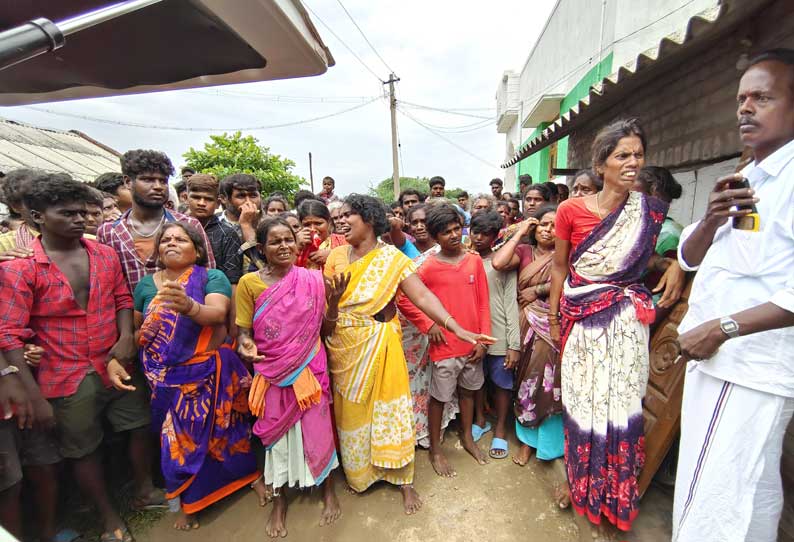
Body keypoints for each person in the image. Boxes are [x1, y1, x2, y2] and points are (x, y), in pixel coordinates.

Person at [672, 49, 794, 542]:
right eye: (742, 98)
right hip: (721, 363)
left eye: (762, 98)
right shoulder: (751, 176)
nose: (745, 109)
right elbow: (688, 258)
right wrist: (712, 218)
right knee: (753, 488)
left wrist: (724, 328)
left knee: (714, 495)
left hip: (744, 367)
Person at [0, 174, 160, 542]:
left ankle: (143, 490)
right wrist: (34, 396)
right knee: (83, 448)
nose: (79, 220)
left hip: (115, 362)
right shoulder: (19, 268)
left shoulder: (103, 254)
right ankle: (107, 518)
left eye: (83, 213)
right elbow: (9, 333)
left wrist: (125, 339)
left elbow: (122, 298)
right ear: (38, 216)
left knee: (137, 424)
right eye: (67, 213)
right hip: (63, 372)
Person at [549, 118, 684, 533]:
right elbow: (559, 268)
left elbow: (649, 261)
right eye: (622, 155)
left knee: (620, 405)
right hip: (581, 319)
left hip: (624, 324)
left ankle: (615, 490)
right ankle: (578, 482)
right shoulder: (571, 210)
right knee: (583, 402)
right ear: (601, 162)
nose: (632, 162)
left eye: (638, 155)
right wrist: (556, 320)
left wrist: (677, 263)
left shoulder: (646, 213)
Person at [324, 195, 491, 514]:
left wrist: (455, 327)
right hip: (344, 347)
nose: (342, 221)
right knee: (354, 413)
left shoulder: (393, 259)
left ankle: (402, 479)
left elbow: (423, 296)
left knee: (390, 409)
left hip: (382, 341)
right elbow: (327, 316)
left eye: (349, 215)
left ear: (369, 220)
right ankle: (362, 474)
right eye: (340, 215)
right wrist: (331, 304)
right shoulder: (334, 258)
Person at [135, 222, 258, 531]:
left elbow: (217, 314)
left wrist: (188, 306)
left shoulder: (210, 277)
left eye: (180, 239)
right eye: (166, 240)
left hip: (208, 371)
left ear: (197, 250)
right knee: (177, 440)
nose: (171, 243)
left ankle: (246, 479)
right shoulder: (146, 286)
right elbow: (138, 329)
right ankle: (190, 502)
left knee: (228, 431)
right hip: (166, 376)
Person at [235, 217, 342, 537]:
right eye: (274, 242)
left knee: (318, 429)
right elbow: (243, 333)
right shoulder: (249, 284)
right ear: (262, 248)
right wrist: (246, 346)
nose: (283, 246)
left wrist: (333, 305)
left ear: (297, 244)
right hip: (271, 371)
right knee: (276, 439)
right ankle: (280, 502)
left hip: (310, 367)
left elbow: (326, 331)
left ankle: (327, 490)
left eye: (288, 240)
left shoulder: (313, 278)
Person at [399, 204, 492, 475]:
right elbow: (405, 299)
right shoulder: (427, 267)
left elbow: (483, 303)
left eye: (456, 229)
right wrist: (428, 325)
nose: (453, 236)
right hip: (445, 347)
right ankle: (435, 449)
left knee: (468, 392)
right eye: (445, 232)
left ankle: (467, 437)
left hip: (473, 344)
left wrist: (482, 341)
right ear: (434, 237)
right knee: (439, 397)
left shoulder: (473, 260)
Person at [492, 206, 565, 480]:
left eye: (556, 225)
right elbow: (499, 263)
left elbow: (570, 283)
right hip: (524, 325)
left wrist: (539, 289)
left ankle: (547, 445)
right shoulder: (524, 252)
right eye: (544, 224)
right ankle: (526, 442)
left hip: (553, 324)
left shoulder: (568, 254)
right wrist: (521, 231)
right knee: (525, 383)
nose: (549, 230)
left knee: (549, 385)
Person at [97, 149, 214, 292]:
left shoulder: (189, 224)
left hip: (184, 311)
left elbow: (210, 278)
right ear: (128, 182)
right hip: (129, 313)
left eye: (163, 181)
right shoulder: (108, 231)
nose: (158, 186)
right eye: (148, 179)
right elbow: (105, 285)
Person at [397, 204, 457, 449]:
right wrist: (426, 322)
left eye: (424, 221)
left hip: (441, 326)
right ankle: (416, 432)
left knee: (437, 381)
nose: (419, 226)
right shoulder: (404, 257)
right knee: (414, 384)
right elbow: (404, 296)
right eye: (415, 222)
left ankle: (434, 431)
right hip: (414, 330)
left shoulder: (447, 255)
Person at [470, 211, 521, 461]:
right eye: (475, 231)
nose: (478, 237)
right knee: (475, 382)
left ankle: (500, 427)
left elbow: (511, 303)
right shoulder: (464, 260)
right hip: (471, 333)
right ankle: (480, 420)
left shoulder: (504, 263)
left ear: (495, 236)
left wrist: (514, 344)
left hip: (499, 332)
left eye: (485, 233)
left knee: (501, 383)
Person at [186, 174, 243, 286]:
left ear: (218, 203)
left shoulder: (227, 234)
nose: (201, 203)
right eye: (196, 197)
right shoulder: (173, 228)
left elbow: (233, 281)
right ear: (186, 198)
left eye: (208, 199)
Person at [296, 199, 347, 270]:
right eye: (307, 224)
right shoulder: (295, 245)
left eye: (318, 223)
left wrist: (333, 255)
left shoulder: (345, 241)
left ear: (329, 223)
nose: (313, 229)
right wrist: (296, 248)